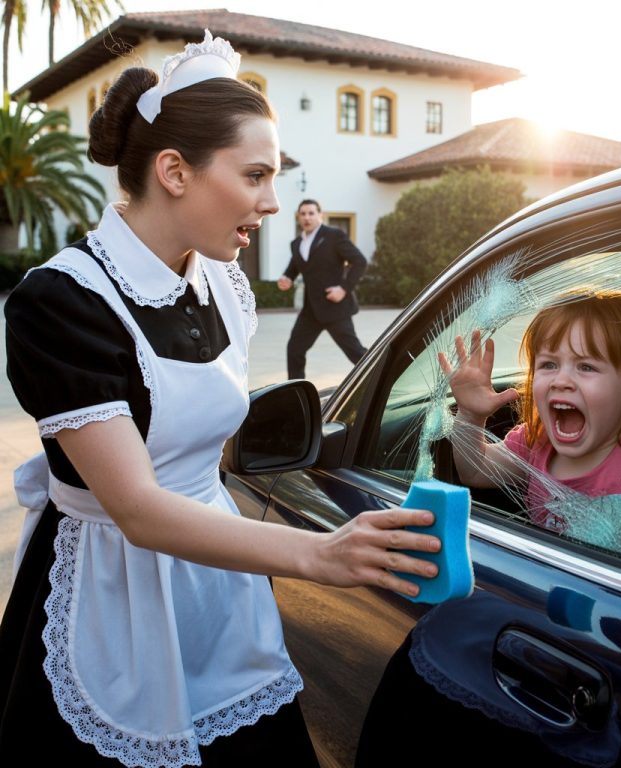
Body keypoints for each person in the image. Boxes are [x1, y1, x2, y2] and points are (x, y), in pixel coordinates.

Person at [0, 31, 441, 767]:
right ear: (175, 171)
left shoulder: (224, 288)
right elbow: (137, 509)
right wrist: (320, 554)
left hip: (216, 582)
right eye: (256, 175)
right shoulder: (64, 301)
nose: (273, 202)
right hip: (115, 595)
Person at [439, 280, 621, 553]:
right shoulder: (536, 440)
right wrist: (471, 416)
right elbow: (474, 471)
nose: (561, 380)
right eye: (549, 364)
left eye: (586, 367)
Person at [277, 199, 368, 379]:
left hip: (335, 307)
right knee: (294, 350)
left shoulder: (334, 235)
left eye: (311, 213)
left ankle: (386, 380)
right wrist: (286, 278)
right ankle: (296, 394)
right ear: (298, 217)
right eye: (303, 214)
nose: (307, 217)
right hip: (311, 311)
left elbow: (360, 261)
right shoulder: (296, 244)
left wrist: (343, 289)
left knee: (355, 353)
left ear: (320, 215)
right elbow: (294, 268)